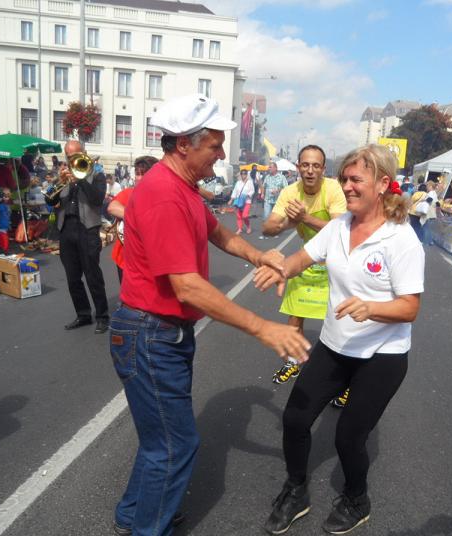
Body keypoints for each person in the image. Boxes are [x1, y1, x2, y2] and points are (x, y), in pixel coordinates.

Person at [109, 93, 310, 536]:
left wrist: (260, 256)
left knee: (162, 440)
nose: (221, 154)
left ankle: (134, 513)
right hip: (150, 333)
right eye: (214, 145)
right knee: (174, 445)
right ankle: (148, 526)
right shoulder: (163, 194)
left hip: (160, 333)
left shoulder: (181, 187)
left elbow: (217, 233)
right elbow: (188, 287)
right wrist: (262, 327)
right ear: (184, 144)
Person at [254, 144, 424, 535]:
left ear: (382, 184)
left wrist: (371, 307)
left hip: (382, 356)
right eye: (344, 179)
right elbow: (303, 258)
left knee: (349, 437)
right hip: (335, 346)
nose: (347, 187)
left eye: (356, 179)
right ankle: (296, 491)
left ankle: (356, 499)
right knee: (295, 418)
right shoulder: (338, 227)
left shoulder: (401, 240)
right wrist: (282, 269)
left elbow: (410, 308)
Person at [262, 145, 347, 384]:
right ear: (298, 167)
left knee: (342, 320)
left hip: (336, 263)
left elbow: (340, 231)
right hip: (306, 259)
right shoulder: (290, 192)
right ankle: (294, 361)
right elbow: (267, 228)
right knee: (295, 314)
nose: (310, 170)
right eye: (306, 165)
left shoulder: (333, 189)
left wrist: (304, 218)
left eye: (316, 166)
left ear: (323, 169)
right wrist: (286, 224)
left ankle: (343, 375)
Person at [46, 141, 109, 334]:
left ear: (84, 153)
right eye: (68, 156)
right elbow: (50, 200)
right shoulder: (64, 176)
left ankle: (102, 316)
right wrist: (58, 182)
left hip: (87, 229)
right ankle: (83, 314)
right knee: (73, 278)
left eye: (74, 155)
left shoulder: (97, 175)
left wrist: (80, 178)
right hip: (67, 229)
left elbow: (97, 199)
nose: (71, 159)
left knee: (92, 275)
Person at [107, 156, 158, 282]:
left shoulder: (160, 197)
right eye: (137, 174)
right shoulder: (129, 193)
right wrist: (140, 217)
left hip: (147, 260)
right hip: (123, 257)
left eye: (143, 174)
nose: (139, 178)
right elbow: (112, 208)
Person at [228, 169, 255, 234]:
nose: (243, 175)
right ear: (240, 175)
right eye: (242, 174)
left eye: (245, 173)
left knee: (245, 216)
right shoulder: (238, 183)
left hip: (246, 201)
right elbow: (235, 191)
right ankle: (240, 228)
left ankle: (248, 227)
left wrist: (247, 195)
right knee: (239, 216)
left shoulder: (250, 182)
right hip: (239, 201)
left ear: (247, 174)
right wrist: (231, 200)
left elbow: (252, 190)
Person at [0, 188, 12, 254]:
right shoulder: (2, 205)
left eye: (8, 197)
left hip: (2, 224)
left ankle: (4, 250)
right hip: (2, 224)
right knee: (3, 238)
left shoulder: (2, 205)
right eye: (5, 196)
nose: (7, 198)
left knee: (3, 238)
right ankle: (4, 250)